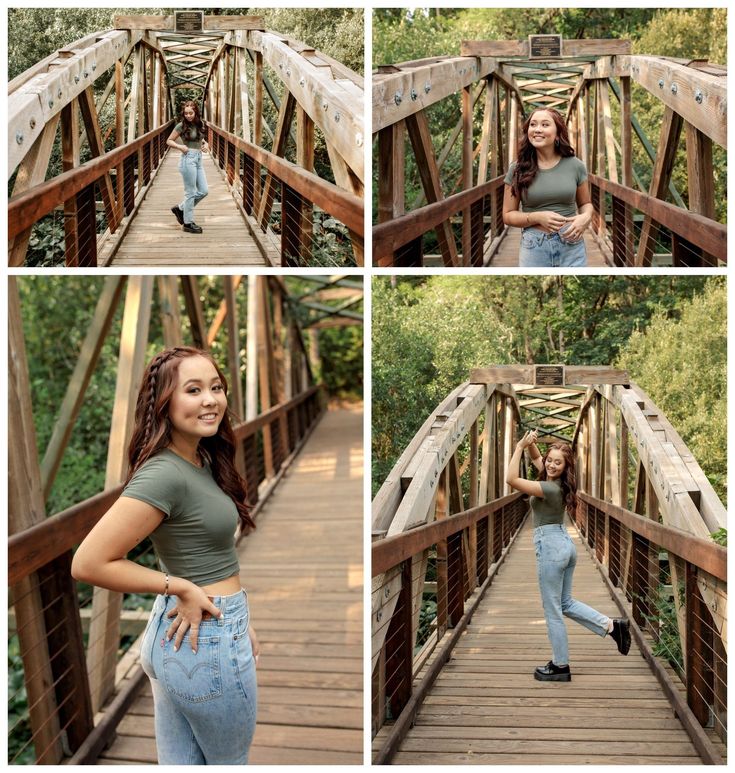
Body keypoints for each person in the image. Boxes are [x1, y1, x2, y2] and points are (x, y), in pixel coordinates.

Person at [72, 346, 259, 764]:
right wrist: (185, 589)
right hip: (203, 638)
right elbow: (87, 563)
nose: (211, 399)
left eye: (216, 387)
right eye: (193, 390)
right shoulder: (163, 474)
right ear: (164, 403)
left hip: (190, 633)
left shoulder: (200, 459)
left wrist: (238, 622)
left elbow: (197, 550)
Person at [506, 430, 630, 681]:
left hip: (551, 548)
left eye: (557, 462)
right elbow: (538, 461)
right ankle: (611, 626)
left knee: (553, 610)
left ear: (566, 467)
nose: (551, 464)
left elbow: (511, 479)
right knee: (565, 604)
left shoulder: (548, 490)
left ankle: (560, 666)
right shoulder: (559, 485)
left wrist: (519, 445)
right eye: (549, 459)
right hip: (564, 544)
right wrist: (531, 445)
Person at [502, 108, 593, 268]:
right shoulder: (517, 169)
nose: (537, 129)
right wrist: (537, 217)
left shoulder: (576, 165)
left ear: (557, 133)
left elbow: (586, 204)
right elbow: (508, 215)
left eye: (545, 124)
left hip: (571, 243)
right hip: (534, 246)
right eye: (533, 124)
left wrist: (586, 217)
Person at [167, 101, 209, 234]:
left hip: (198, 159)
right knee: (190, 192)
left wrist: (206, 145)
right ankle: (188, 223)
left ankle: (180, 209)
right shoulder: (181, 125)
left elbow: (200, 139)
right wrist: (180, 146)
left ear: (196, 112)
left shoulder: (200, 124)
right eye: (186, 113)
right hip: (188, 159)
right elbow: (169, 140)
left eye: (191, 113)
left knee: (204, 190)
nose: (188, 115)